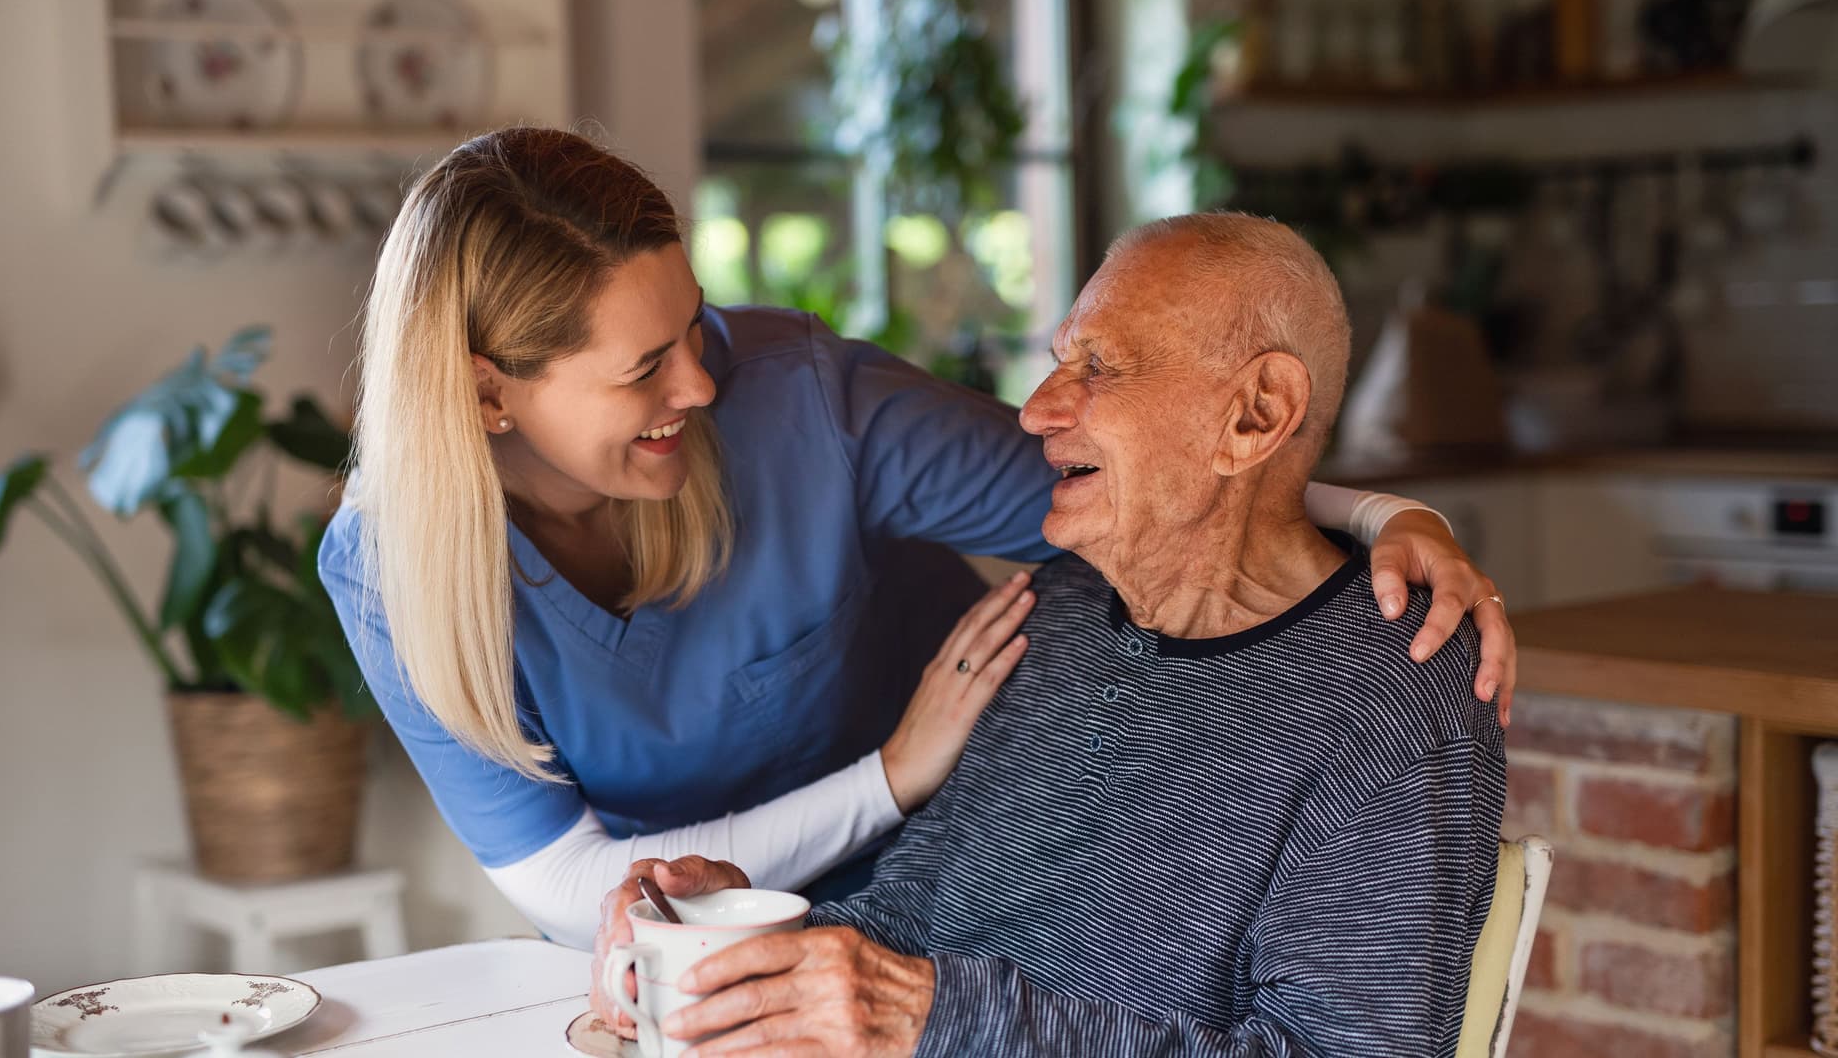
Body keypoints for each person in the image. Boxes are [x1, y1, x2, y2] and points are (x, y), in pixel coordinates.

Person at [317, 128, 1518, 953]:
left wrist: (1388, 516)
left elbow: (1149, 483)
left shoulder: (803, 404)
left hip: (952, 910)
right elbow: (572, 893)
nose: (701, 380)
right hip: (695, 943)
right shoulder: (389, 567)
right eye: (644, 368)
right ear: (488, 394)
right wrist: (891, 774)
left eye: (694, 324)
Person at [594, 214, 1507, 1058]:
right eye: (1059, 361)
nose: (1036, 410)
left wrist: (936, 1020)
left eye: (1099, 368)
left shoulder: (1391, 690)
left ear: (1256, 415)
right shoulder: (1057, 607)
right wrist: (740, 944)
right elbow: (911, 923)